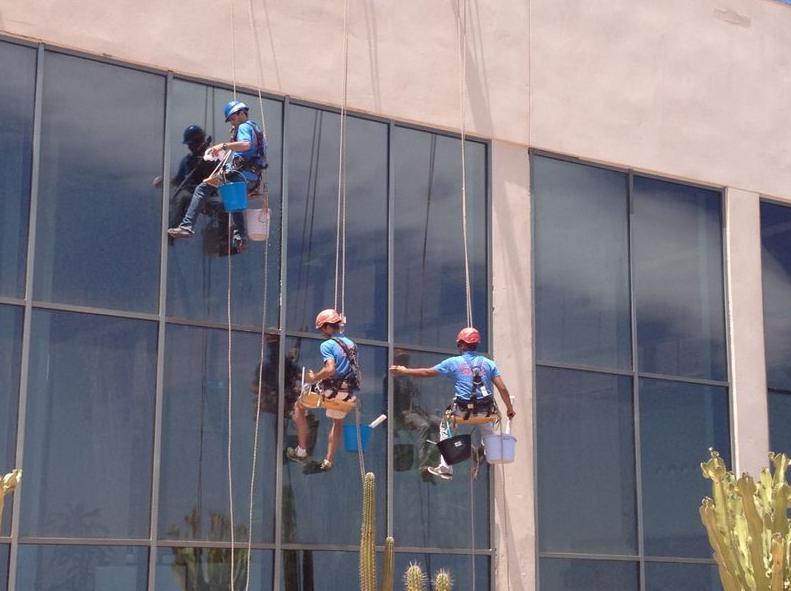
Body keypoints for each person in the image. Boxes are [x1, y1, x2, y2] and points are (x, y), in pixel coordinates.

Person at [389, 327, 516, 481]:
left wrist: (405, 371)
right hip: (485, 410)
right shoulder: (489, 363)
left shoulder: (453, 362)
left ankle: (446, 466)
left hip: (462, 410)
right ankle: (491, 452)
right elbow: (502, 388)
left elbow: (428, 373)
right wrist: (509, 408)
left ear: (462, 344)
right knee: (486, 426)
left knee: (445, 426)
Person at [168, 101, 268, 252]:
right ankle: (241, 236)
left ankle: (186, 226)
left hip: (238, 172)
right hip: (250, 176)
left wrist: (223, 146)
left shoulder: (244, 127)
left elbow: (246, 145)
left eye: (233, 118)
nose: (232, 122)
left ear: (242, 113)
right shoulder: (257, 130)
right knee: (233, 203)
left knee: (202, 189)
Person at [286, 309, 361, 473]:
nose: (321, 332)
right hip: (348, 393)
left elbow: (330, 369)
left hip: (330, 390)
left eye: (321, 328)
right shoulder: (352, 345)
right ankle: (328, 460)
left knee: (299, 407)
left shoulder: (327, 344)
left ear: (328, 327)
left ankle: (302, 450)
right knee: (338, 421)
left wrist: (314, 378)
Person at [154, 125, 217, 232]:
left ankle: (224, 239)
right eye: (190, 145)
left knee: (225, 209)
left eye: (193, 144)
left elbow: (218, 177)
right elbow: (180, 180)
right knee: (182, 197)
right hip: (191, 196)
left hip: (208, 196)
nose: (190, 147)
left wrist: (206, 163)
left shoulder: (213, 158)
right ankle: (172, 230)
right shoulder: (187, 161)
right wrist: (166, 181)